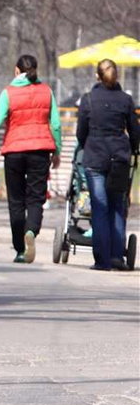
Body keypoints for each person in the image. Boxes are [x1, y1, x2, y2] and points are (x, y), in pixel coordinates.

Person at [0, 54, 61, 263]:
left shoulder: (8, 93)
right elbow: (56, 125)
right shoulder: (47, 92)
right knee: (36, 198)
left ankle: (19, 249)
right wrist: (57, 151)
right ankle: (31, 233)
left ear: (17, 71)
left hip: (14, 152)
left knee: (16, 202)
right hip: (40, 151)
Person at [76, 59, 140, 271]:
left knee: (100, 208)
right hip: (119, 158)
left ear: (97, 76)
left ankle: (102, 260)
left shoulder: (88, 100)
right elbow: (134, 131)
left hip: (95, 157)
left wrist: (87, 144)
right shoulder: (126, 100)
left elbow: (81, 132)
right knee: (117, 206)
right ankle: (116, 257)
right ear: (117, 77)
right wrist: (133, 149)